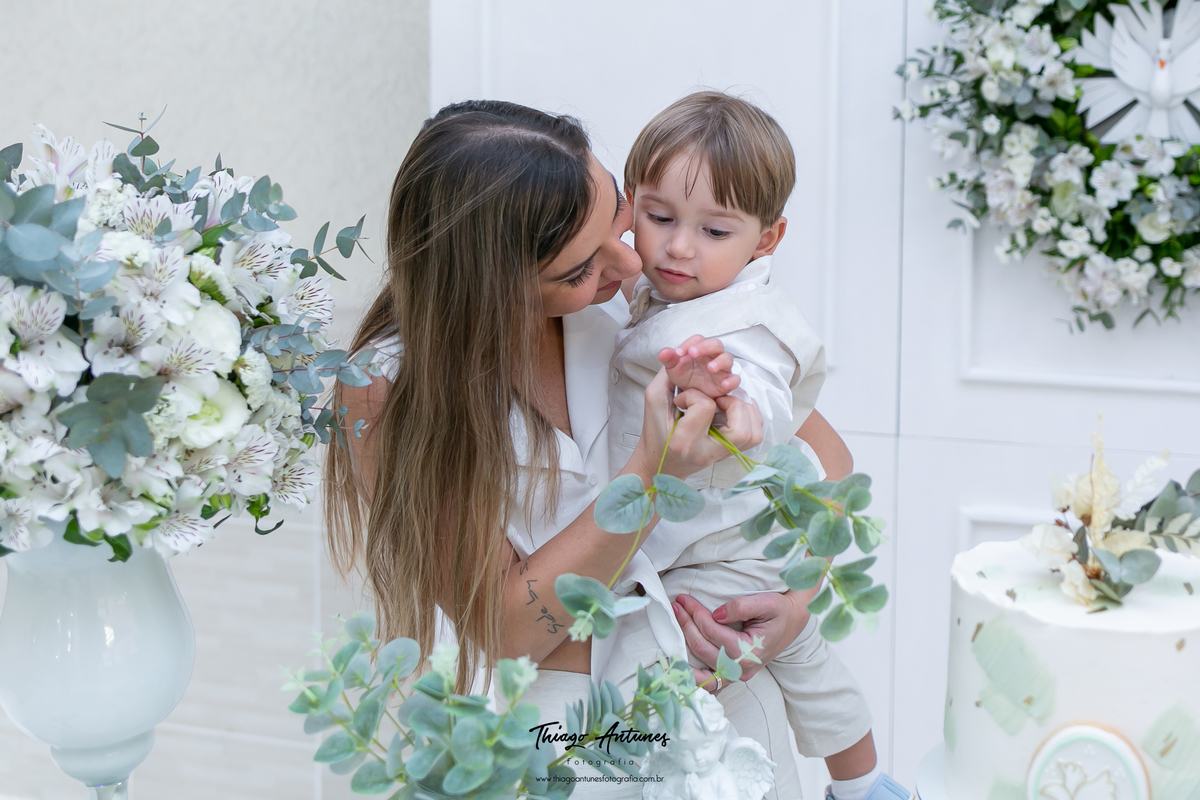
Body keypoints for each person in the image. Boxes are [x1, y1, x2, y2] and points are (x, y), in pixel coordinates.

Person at [324, 99, 824, 799]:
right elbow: (505, 628)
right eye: (581, 268)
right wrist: (652, 475)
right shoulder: (386, 388)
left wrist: (798, 598)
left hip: (720, 704)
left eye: (622, 218)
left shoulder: (652, 296)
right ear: (491, 287)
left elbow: (823, 466)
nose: (632, 261)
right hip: (553, 736)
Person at [608, 91, 911, 800]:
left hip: (720, 554)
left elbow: (769, 389)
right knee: (802, 656)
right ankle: (868, 785)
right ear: (629, 207)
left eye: (715, 230)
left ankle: (859, 784)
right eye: (658, 218)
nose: (679, 247)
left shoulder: (748, 322)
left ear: (765, 240)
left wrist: (734, 409)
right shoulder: (650, 296)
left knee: (674, 674)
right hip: (704, 545)